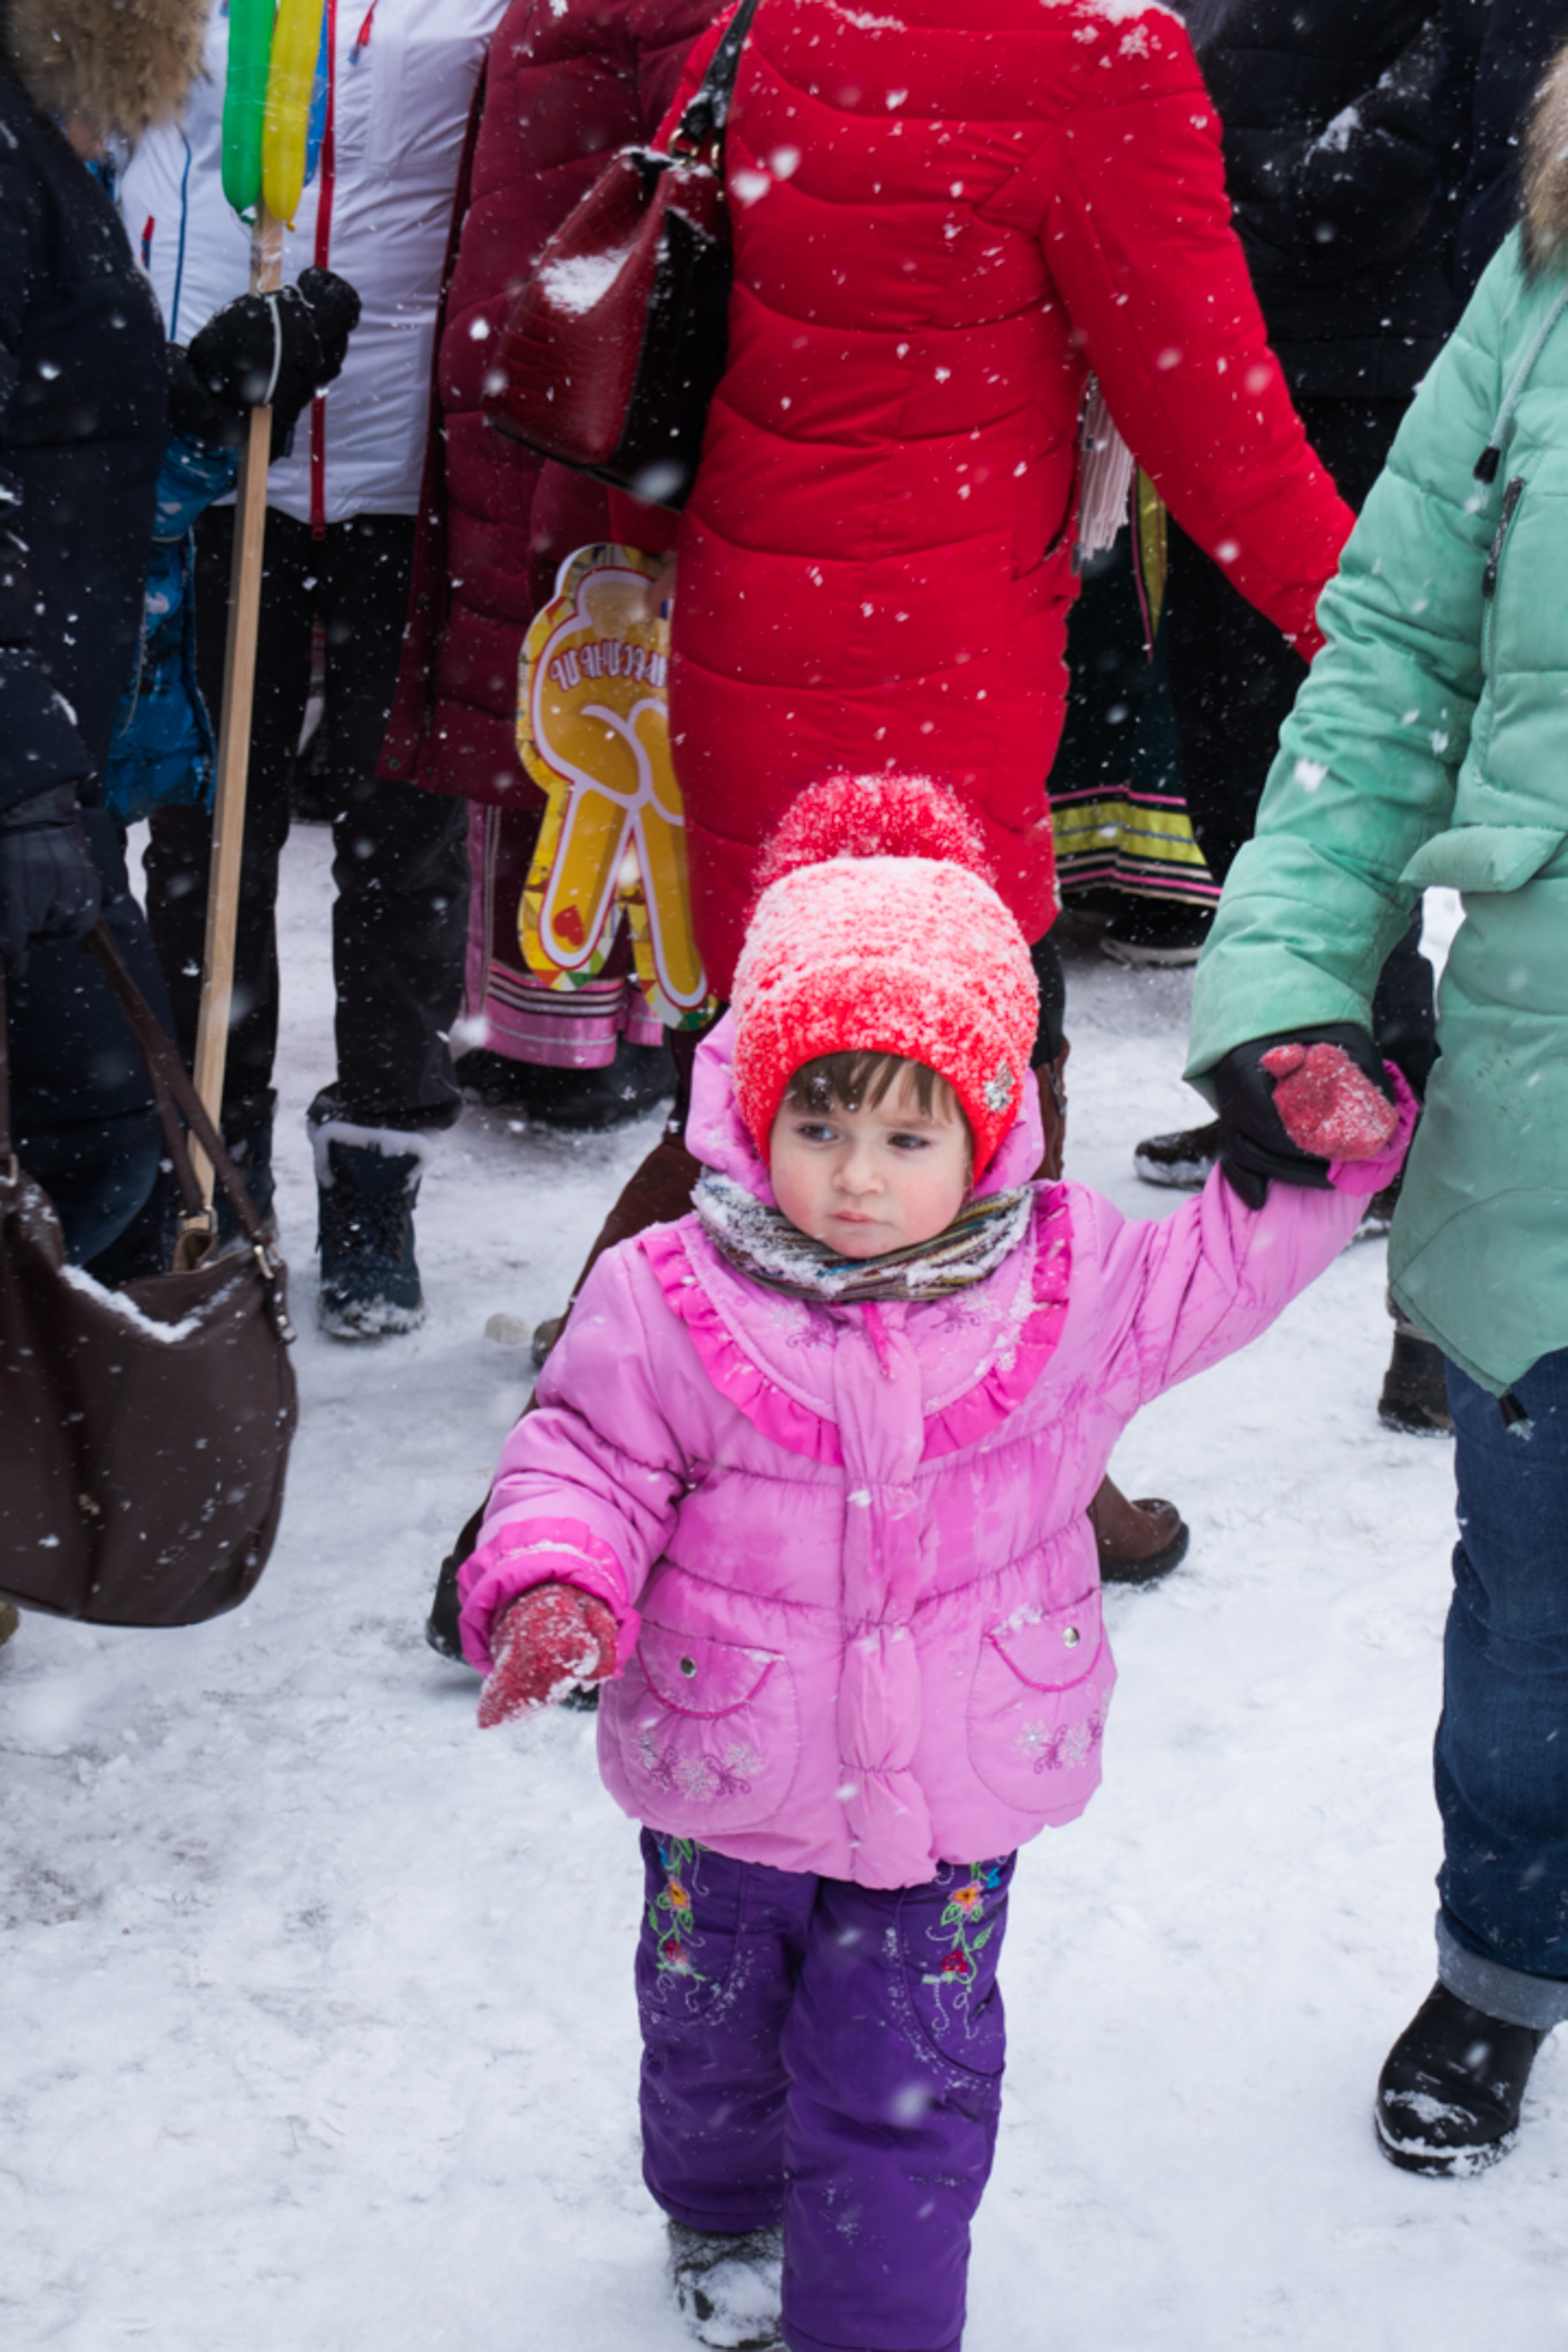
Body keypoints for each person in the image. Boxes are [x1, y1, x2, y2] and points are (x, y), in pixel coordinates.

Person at [454, 772, 1412, 2352]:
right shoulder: (668, 1294)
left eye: (906, 1132)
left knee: (906, 2079)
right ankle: (717, 2214)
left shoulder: (1066, 1285)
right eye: (817, 1123)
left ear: (982, 1128)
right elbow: (585, 1457)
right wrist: (560, 1582)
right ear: (749, 1111)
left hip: (952, 1788)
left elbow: (1223, 1265)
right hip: (728, 1764)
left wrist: (1322, 1152)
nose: (853, 1173)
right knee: (712, 2038)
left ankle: (874, 2327)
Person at [1186, 36, 1568, 2176]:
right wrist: (1284, 978)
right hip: (1547, 1103)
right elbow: (1395, 661)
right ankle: (1506, 1958)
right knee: (1536, 1623)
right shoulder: (1543, 273)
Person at [120, 0, 507, 1338]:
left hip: (414, 446)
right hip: (228, 433)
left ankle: (375, 1178)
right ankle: (212, 1164)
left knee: (402, 831)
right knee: (210, 827)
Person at [1137, 0, 1452, 1428]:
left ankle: (1391, 1079)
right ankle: (1296, 1056)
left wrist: (1233, 195)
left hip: (1364, 366)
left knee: (1333, 754)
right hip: (1231, 357)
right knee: (1221, 747)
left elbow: (1417, 118)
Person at [380, 0, 718, 1129]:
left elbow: (688, 174)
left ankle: (581, 1026)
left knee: (587, 689)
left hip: (579, 365)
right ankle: (561, 1027)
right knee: (568, 694)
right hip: (550, 355)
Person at [0, 0, 211, 1276]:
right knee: (97, 1141)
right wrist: (19, 760)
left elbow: (47, 399)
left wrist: (207, 386)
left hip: (47, 747)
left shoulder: (34, 149)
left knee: (104, 1143)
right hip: (23, 762)